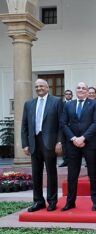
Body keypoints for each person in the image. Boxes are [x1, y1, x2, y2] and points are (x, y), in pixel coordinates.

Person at [21, 79, 63, 212]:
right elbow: (24, 125)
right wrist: (25, 144)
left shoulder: (56, 101)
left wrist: (59, 141)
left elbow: (62, 124)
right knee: (36, 173)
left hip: (50, 142)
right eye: (37, 86)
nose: (39, 88)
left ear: (47, 87)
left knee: (51, 172)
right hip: (34, 142)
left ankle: (52, 201)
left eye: (41, 86)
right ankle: (38, 201)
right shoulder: (29, 104)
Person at [61, 82, 96, 211]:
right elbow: (64, 123)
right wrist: (73, 138)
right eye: (79, 88)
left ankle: (95, 202)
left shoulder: (94, 104)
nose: (81, 90)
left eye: (84, 88)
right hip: (72, 144)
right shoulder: (69, 105)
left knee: (92, 174)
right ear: (75, 90)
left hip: (89, 143)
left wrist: (83, 138)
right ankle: (70, 202)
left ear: (87, 91)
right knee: (72, 174)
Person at [59, 89, 73, 167]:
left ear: (72, 95)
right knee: (64, 145)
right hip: (63, 127)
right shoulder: (61, 104)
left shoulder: (74, 103)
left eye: (69, 94)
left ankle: (71, 161)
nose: (68, 95)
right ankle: (65, 160)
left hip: (72, 128)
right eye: (67, 94)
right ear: (64, 96)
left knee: (71, 145)